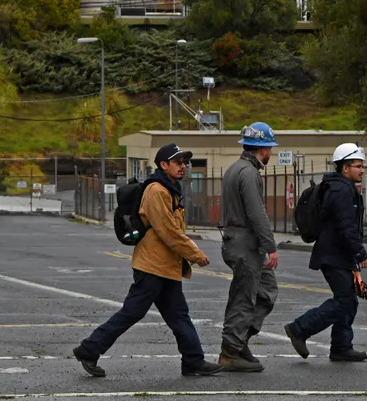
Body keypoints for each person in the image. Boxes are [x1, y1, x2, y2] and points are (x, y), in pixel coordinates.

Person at [73, 143, 224, 378]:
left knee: (179, 315)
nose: (183, 166)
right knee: (132, 313)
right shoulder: (157, 191)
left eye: (185, 162)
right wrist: (194, 254)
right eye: (178, 162)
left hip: (166, 267)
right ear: (164, 165)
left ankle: (193, 361)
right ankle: (89, 349)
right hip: (152, 267)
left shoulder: (170, 189)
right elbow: (169, 231)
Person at [283, 142, 367, 363]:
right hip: (334, 256)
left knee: (349, 300)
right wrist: (360, 253)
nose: (361, 170)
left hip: (339, 255)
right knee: (344, 300)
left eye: (362, 166)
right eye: (357, 166)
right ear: (345, 168)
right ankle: (299, 329)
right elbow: (346, 227)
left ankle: (341, 347)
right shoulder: (341, 190)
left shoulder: (340, 187)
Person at [216, 122, 281, 371]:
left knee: (266, 290)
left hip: (237, 241)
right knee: (244, 298)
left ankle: (239, 340)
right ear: (262, 149)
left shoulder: (234, 168)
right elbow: (257, 213)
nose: (271, 153)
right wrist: (270, 246)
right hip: (246, 245)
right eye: (270, 148)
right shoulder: (249, 173)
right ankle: (231, 351)